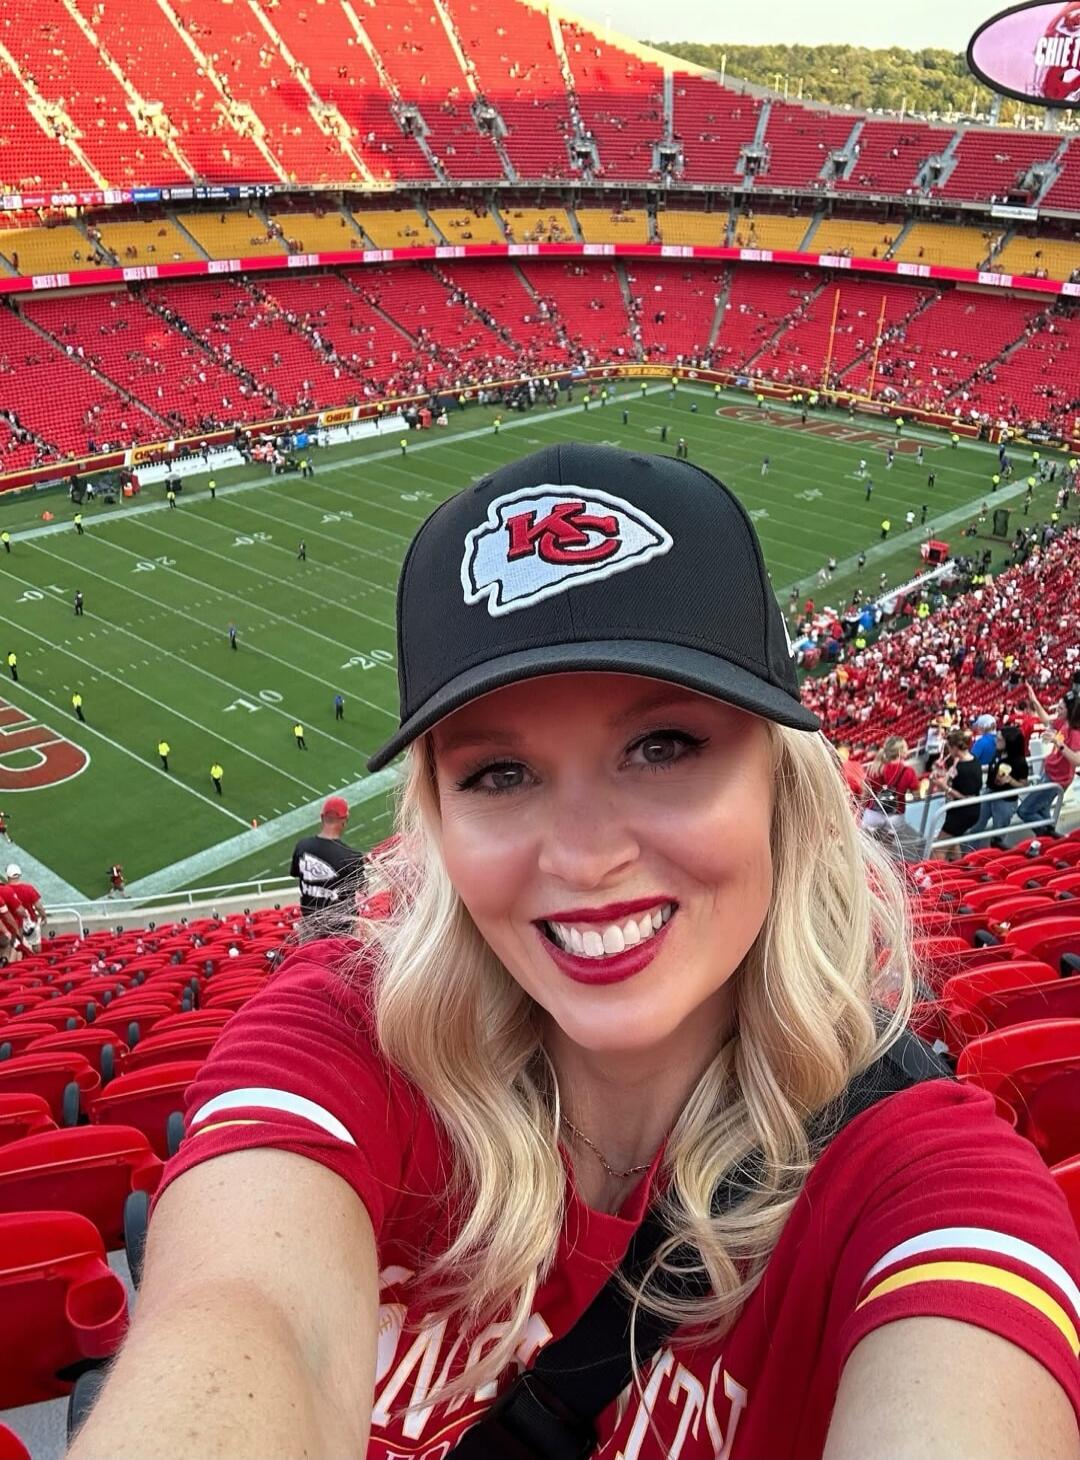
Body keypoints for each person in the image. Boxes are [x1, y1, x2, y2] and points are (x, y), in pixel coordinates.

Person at [72, 443, 1080, 1460]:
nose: (588, 855)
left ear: (784, 781)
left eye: (665, 746)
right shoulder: (347, 1034)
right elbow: (246, 1311)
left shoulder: (924, 1182)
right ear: (434, 818)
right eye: (501, 771)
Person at [288, 795, 367, 921]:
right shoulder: (352, 856)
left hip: (310, 923)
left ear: (321, 817)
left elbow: (296, 873)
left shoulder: (302, 846)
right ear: (345, 820)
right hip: (341, 929)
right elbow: (362, 889)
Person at [1017, 684, 1080, 832]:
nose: (1057, 710)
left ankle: (1050, 837)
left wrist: (1058, 743)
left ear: (1070, 712)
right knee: (1043, 812)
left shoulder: (1076, 732)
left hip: (1057, 779)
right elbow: (1047, 721)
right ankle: (1049, 842)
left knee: (1025, 811)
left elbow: (1077, 760)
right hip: (1049, 773)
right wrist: (1034, 701)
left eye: (1061, 708)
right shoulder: (1063, 722)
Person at [933, 729, 985, 855]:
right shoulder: (973, 760)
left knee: (938, 848)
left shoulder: (965, 768)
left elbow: (967, 798)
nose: (949, 752)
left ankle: (934, 873)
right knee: (953, 844)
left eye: (949, 748)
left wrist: (945, 787)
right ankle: (960, 869)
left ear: (955, 748)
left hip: (963, 813)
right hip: (967, 811)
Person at [862, 735, 918, 832]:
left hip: (873, 814)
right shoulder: (909, 771)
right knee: (888, 846)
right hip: (895, 817)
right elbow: (916, 794)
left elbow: (866, 793)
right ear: (901, 751)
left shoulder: (875, 768)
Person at [3, 864, 45, 953]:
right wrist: (44, 916)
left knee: (18, 950)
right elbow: (38, 906)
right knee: (36, 947)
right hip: (30, 922)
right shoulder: (28, 889)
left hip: (13, 925)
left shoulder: (4, 890)